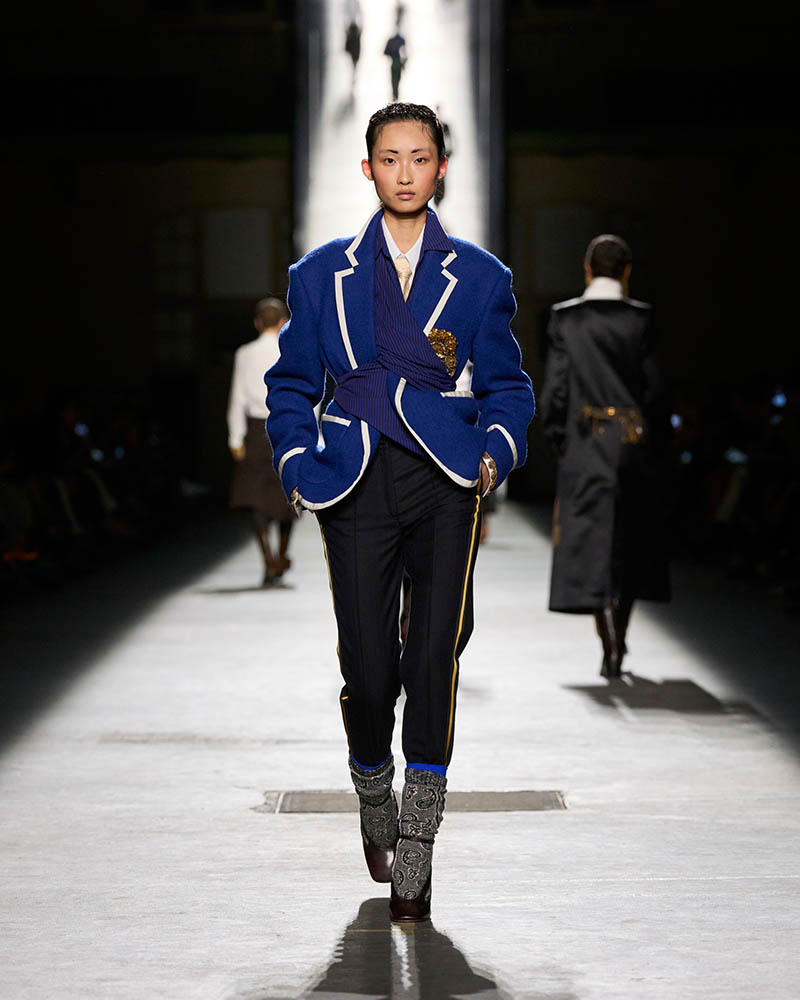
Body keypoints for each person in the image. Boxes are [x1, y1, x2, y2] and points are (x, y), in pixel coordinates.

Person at [265, 102, 534, 922]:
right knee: (370, 668)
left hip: (446, 478)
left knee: (434, 656)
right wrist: (296, 461)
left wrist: (493, 452)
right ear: (368, 169)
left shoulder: (480, 276)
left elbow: (508, 384)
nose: (406, 172)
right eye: (391, 158)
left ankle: (419, 837)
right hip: (355, 480)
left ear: (441, 168)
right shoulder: (320, 275)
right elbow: (290, 383)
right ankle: (371, 782)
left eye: (420, 157)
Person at [539, 235, 670, 679]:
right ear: (627, 270)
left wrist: (559, 441)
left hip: (585, 443)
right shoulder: (642, 319)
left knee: (592, 544)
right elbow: (654, 390)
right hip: (633, 445)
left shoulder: (566, 318)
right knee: (629, 542)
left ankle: (609, 643)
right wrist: (657, 446)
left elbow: (556, 389)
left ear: (587, 268)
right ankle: (621, 634)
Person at [227, 296, 295, 586]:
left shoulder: (245, 353)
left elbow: (238, 397)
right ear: (282, 322)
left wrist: (235, 438)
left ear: (257, 323)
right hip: (287, 426)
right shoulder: (289, 348)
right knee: (287, 495)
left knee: (255, 496)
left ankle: (268, 559)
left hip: (255, 430)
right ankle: (280, 556)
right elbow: (305, 393)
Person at [383, 29, 407, 102]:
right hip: (397, 63)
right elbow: (405, 53)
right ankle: (395, 97)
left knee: (395, 82)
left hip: (395, 64)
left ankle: (395, 97)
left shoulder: (392, 41)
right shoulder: (401, 40)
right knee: (396, 82)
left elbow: (385, 52)